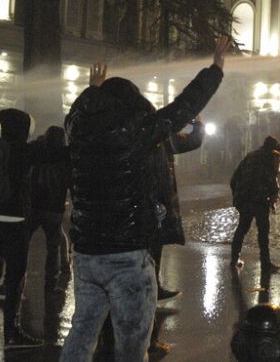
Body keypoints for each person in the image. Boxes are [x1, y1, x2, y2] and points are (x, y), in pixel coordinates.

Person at [61, 36, 228, 362]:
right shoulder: (137, 132)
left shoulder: (77, 130)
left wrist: (93, 89)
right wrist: (216, 68)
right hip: (126, 252)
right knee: (132, 342)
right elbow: (184, 105)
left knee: (82, 329)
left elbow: (76, 113)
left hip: (85, 253)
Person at [0, 109, 68, 349]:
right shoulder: (25, 151)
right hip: (15, 220)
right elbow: (61, 153)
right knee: (16, 275)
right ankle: (12, 331)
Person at [153, 117, 205, 301]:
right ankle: (150, 289)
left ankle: (151, 287)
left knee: (148, 245)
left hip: (136, 200)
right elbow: (192, 141)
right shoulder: (158, 135)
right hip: (152, 199)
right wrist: (198, 124)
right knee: (152, 244)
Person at [27, 125, 72, 292]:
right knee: (53, 247)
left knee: (23, 242)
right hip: (54, 208)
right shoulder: (65, 157)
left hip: (34, 205)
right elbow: (69, 182)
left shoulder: (37, 152)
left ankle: (12, 281)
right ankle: (51, 284)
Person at [229, 136, 280, 273]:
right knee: (263, 232)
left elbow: (234, 178)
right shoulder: (272, 157)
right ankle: (265, 263)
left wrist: (238, 195)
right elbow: (272, 178)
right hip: (259, 199)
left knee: (242, 228)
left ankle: (234, 259)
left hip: (245, 198)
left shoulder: (250, 156)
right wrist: (273, 196)